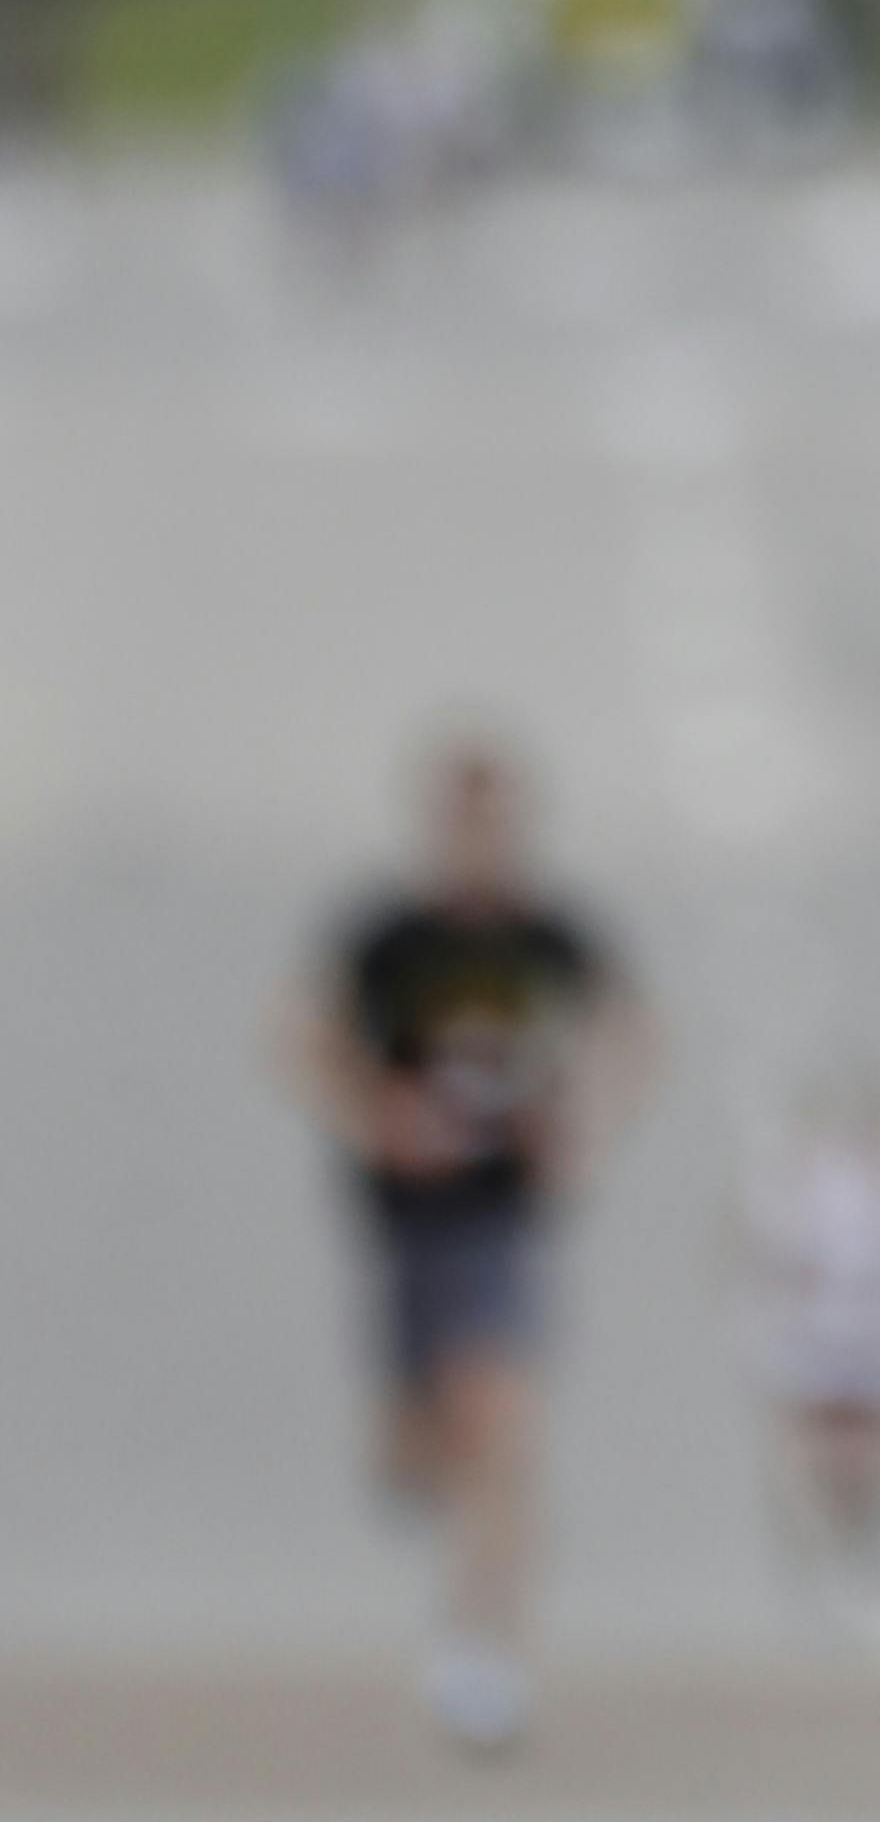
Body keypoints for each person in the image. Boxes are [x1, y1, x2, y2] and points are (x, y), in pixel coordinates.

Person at [280, 743, 654, 1750]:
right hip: (407, 1225)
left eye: (497, 824)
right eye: (464, 824)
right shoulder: (391, 938)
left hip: (501, 1220)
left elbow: (629, 1031)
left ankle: (484, 1648)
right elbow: (301, 1034)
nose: (481, 844)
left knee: (501, 1425)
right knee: (417, 1458)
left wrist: (584, 1122)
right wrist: (375, 1114)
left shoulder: (550, 936)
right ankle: (427, 1460)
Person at [734, 1060, 880, 1631]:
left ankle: (875, 1549)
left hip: (877, 1334)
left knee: (869, 1451)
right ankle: (821, 1561)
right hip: (815, 1335)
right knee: (813, 1452)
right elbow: (757, 1251)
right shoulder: (788, 1176)